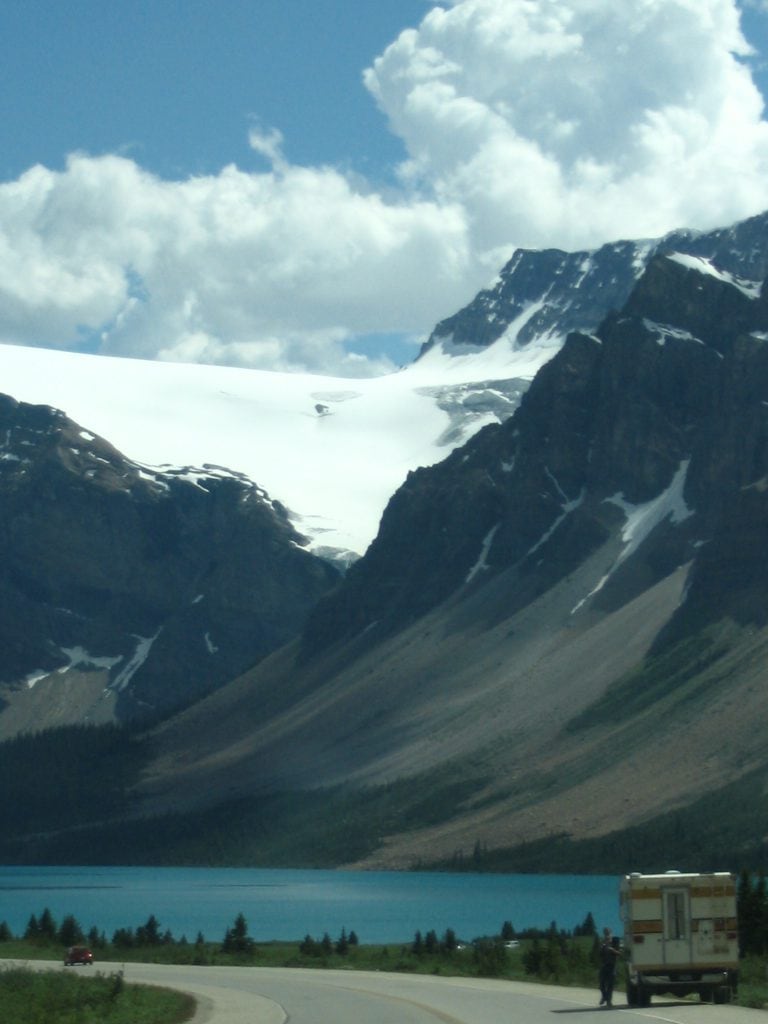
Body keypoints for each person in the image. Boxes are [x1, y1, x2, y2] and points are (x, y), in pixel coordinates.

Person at [599, 927, 621, 1008]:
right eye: (605, 933)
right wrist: (602, 948)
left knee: (610, 985)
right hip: (604, 965)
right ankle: (604, 997)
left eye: (608, 932)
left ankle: (609, 1001)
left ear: (611, 932)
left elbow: (619, 953)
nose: (606, 934)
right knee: (601, 984)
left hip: (612, 965)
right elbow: (600, 954)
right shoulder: (603, 942)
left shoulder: (615, 941)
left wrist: (612, 949)